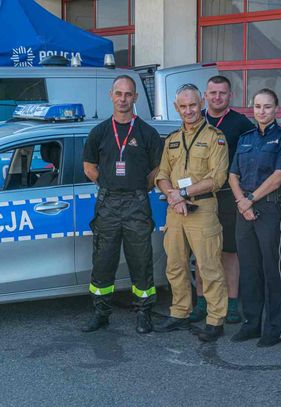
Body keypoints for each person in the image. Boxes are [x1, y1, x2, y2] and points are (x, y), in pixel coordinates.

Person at [82, 75, 163, 334]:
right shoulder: (99, 132)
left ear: (135, 97)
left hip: (136, 204)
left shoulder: (147, 133)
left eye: (128, 94)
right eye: (119, 93)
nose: (123, 99)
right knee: (103, 260)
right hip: (108, 204)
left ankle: (144, 313)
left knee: (141, 261)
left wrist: (141, 187)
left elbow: (159, 168)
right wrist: (108, 184)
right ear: (111, 95)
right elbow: (88, 167)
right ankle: (101, 312)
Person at [153, 83, 229, 342]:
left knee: (208, 266)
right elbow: (161, 175)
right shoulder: (172, 139)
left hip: (203, 208)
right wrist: (174, 196)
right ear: (176, 108)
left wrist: (182, 194)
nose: (189, 111)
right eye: (183, 106)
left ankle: (215, 319)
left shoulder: (215, 137)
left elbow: (217, 178)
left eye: (193, 105)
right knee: (175, 265)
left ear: (202, 105)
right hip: (175, 210)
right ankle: (180, 312)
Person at [228, 88, 281, 347]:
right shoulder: (245, 138)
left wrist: (250, 199)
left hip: (269, 210)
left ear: (276, 109)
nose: (262, 111)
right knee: (249, 269)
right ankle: (251, 324)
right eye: (257, 106)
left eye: (267, 106)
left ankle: (274, 328)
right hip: (243, 209)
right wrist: (241, 203)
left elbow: (279, 176)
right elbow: (232, 174)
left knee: (272, 269)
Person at [189, 75, 256, 324]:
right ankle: (202, 304)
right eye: (213, 93)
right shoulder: (194, 119)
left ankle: (231, 305)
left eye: (222, 93)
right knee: (201, 253)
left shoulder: (241, 124)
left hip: (228, 197)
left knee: (229, 252)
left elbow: (251, 158)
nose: (217, 97)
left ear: (230, 96)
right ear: (205, 95)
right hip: (198, 196)